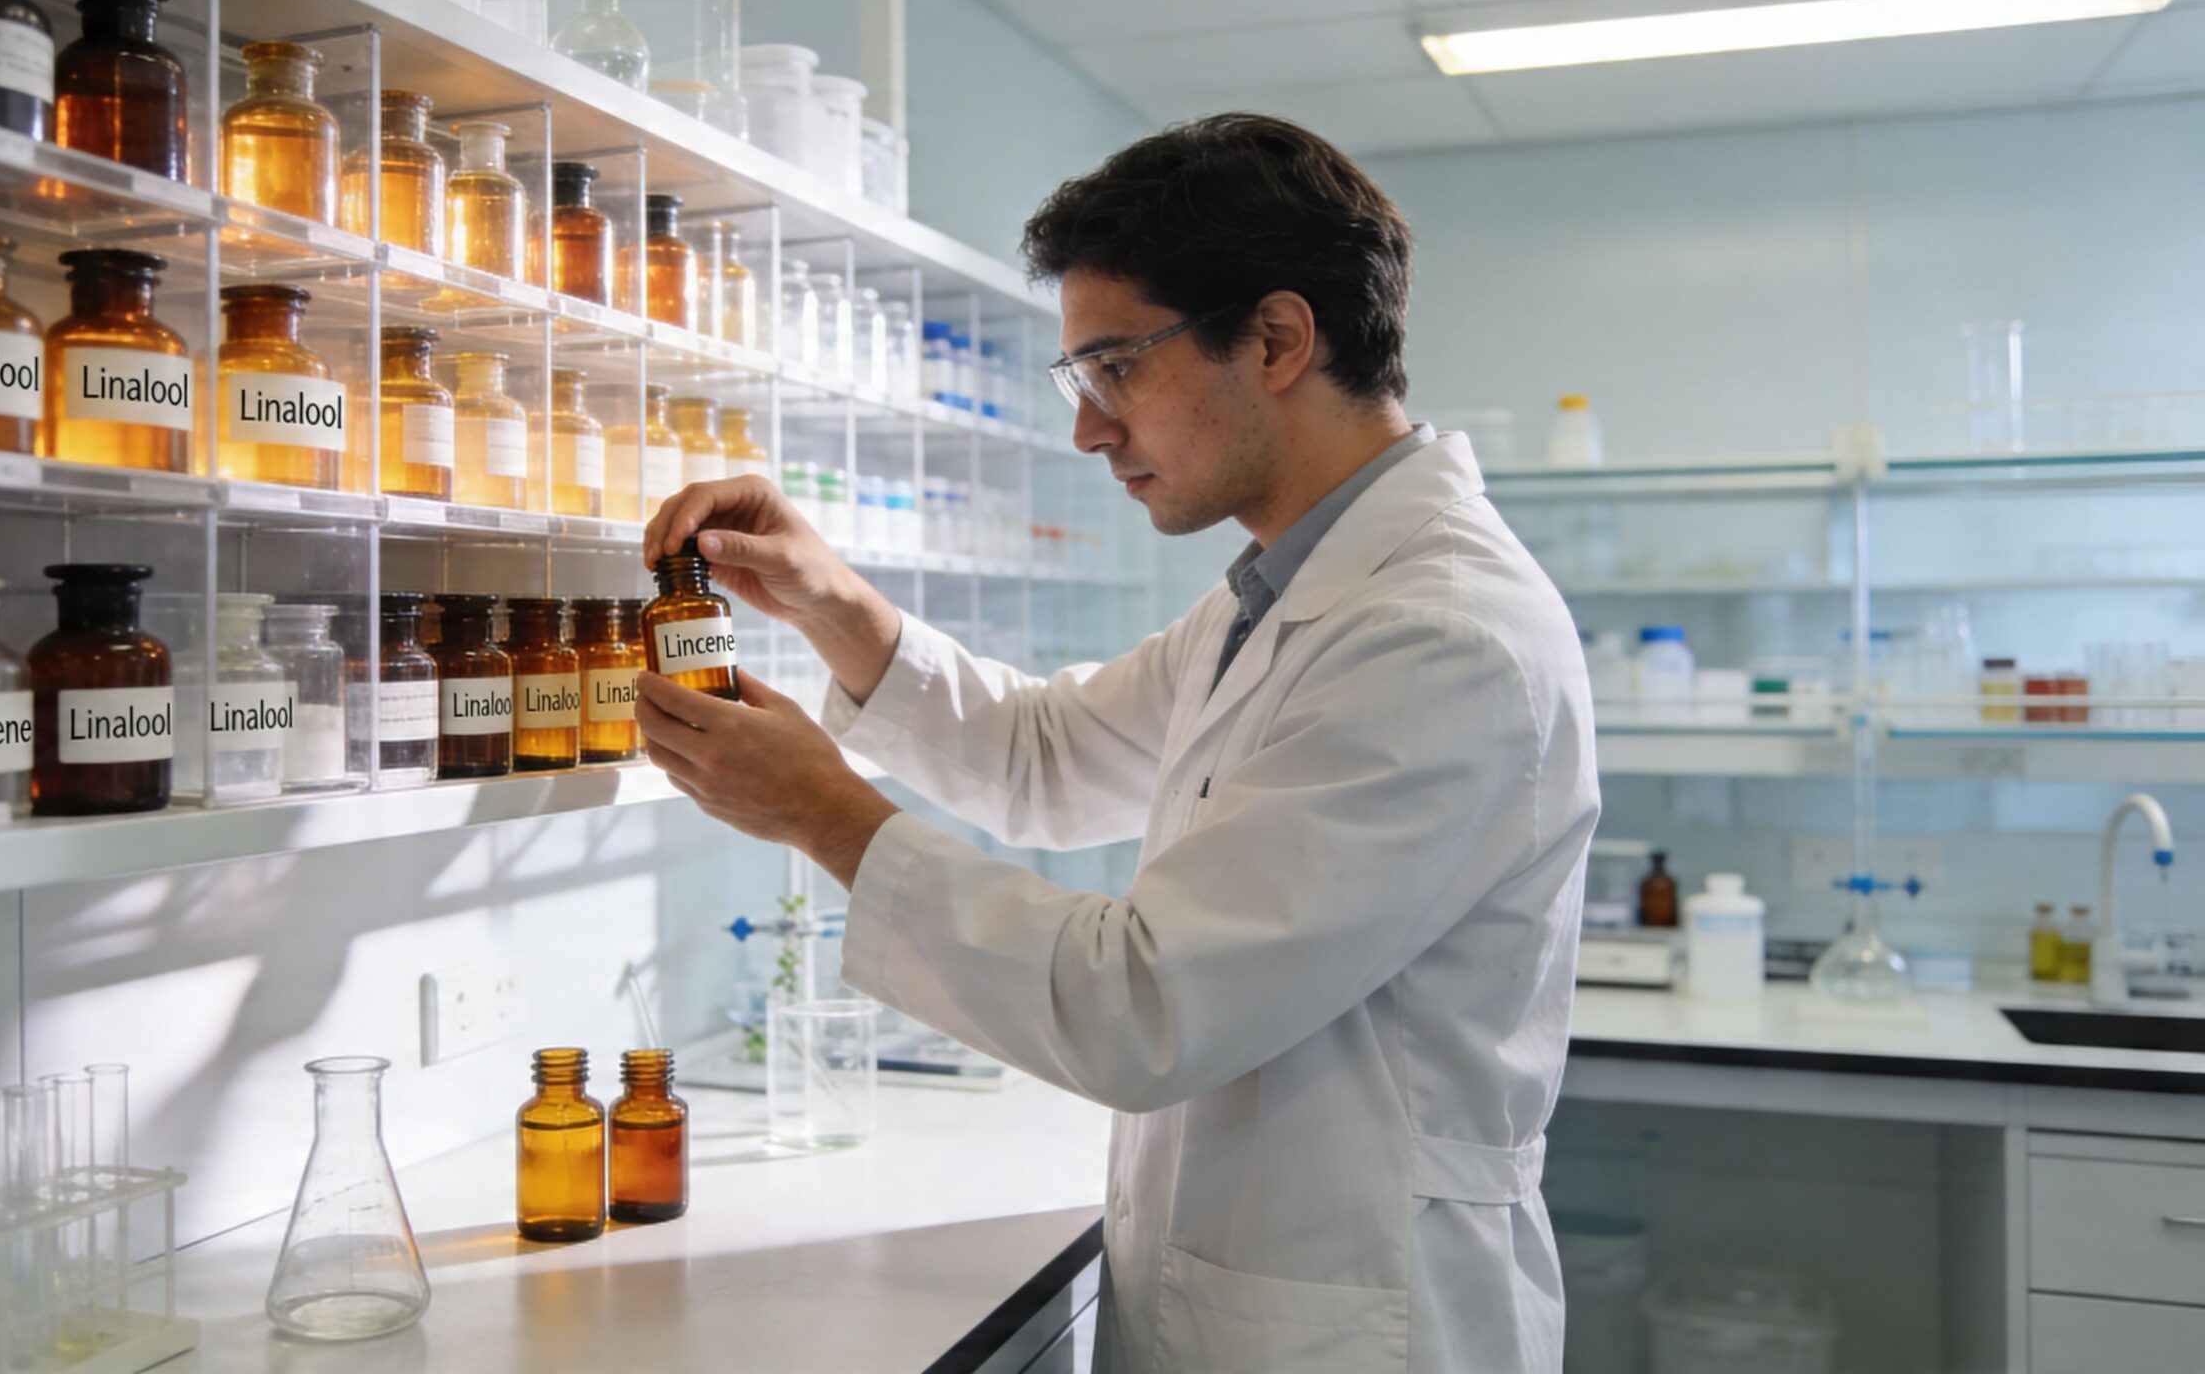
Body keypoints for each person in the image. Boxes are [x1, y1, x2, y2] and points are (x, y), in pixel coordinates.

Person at [634, 113, 1597, 1373]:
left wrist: (824, 815)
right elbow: (1047, 755)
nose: (1089, 429)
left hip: (1362, 1319)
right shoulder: (1284, 595)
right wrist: (831, 600)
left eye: (1116, 369)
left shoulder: (1438, 635)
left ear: (1276, 339)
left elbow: (1143, 1006)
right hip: (1242, 1292)